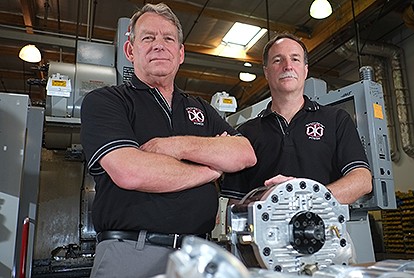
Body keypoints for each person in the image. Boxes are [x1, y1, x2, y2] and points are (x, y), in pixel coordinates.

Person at [80, 3, 256, 277]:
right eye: (148, 38)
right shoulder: (107, 101)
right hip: (132, 253)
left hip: (198, 255)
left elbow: (244, 153)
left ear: (181, 53)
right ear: (130, 50)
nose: (159, 46)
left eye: (168, 39)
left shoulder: (202, 109)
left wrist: (172, 146)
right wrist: (211, 170)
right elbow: (130, 172)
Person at [221, 33, 372, 205]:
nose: (287, 66)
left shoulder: (336, 120)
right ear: (266, 72)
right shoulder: (245, 133)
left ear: (305, 70)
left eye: (295, 59)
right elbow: (235, 203)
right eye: (278, 60)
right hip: (266, 231)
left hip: (324, 230)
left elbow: (362, 180)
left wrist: (303, 199)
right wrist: (270, 203)